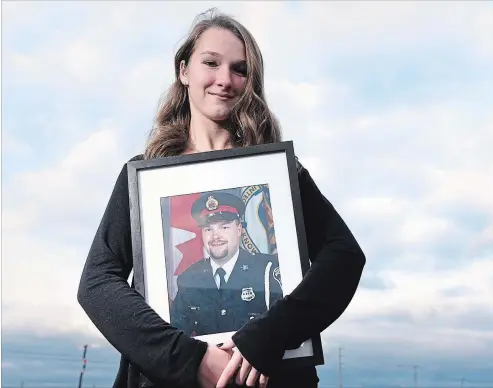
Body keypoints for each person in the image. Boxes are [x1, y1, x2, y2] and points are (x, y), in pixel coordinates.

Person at [77, 7, 365, 388]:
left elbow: (344, 256)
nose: (224, 80)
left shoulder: (280, 174)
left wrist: (268, 335)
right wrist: (189, 358)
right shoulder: (145, 174)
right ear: (184, 71)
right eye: (210, 63)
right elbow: (97, 281)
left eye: (240, 69)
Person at [170, 191, 284, 337]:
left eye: (224, 227)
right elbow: (176, 336)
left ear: (239, 229)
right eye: (208, 229)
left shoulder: (267, 270)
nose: (215, 236)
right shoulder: (189, 279)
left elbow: (285, 328)